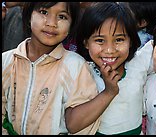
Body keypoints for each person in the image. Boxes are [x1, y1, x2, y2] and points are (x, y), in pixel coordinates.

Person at [2, 2, 121, 135]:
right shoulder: (6, 61)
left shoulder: (75, 66)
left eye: (62, 17)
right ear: (29, 15)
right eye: (44, 12)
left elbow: (84, 128)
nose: (52, 23)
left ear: (72, 25)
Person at [76, 2, 155, 135]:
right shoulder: (83, 72)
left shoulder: (139, 63)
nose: (109, 50)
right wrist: (109, 91)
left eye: (119, 40)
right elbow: (73, 124)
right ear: (86, 43)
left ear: (130, 41)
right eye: (100, 40)